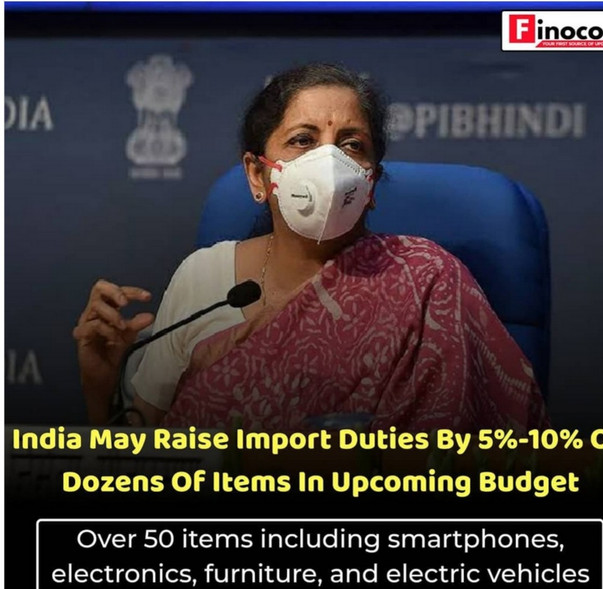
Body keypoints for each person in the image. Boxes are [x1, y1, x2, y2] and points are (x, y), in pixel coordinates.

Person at [73, 62, 549, 432]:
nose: (330, 161)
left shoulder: (427, 281)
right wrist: (100, 389)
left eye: (352, 145)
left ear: (372, 182)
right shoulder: (203, 278)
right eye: (303, 140)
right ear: (257, 175)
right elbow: (142, 467)